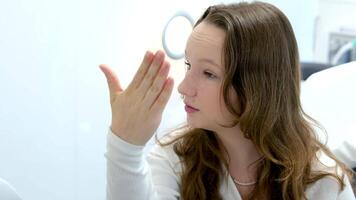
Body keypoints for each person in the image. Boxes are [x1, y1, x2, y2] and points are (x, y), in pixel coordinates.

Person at [100, 1, 355, 199]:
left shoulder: (323, 181)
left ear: (257, 87)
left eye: (209, 73)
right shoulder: (175, 156)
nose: (184, 87)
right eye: (189, 65)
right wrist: (125, 147)